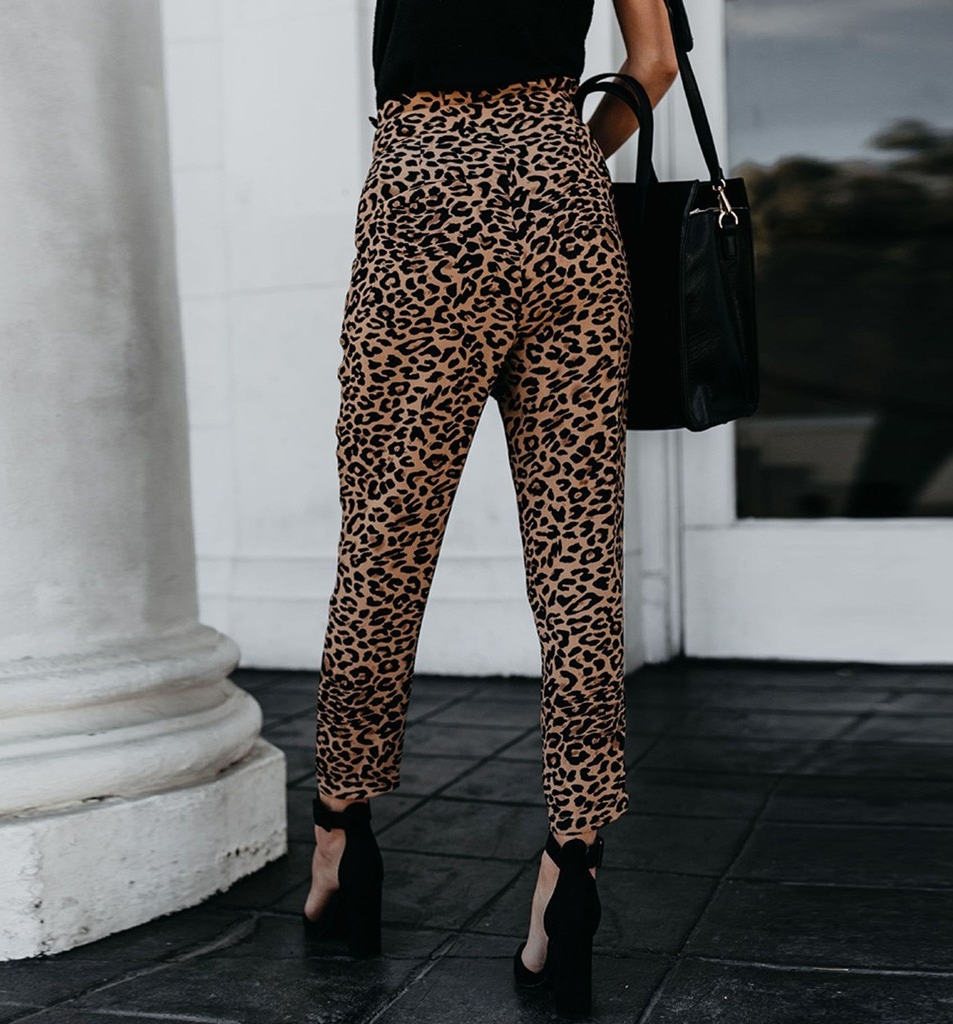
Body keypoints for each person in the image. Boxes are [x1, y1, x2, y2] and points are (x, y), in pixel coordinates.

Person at [303, 0, 678, 1015]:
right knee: (578, 559)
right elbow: (652, 60)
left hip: (421, 198)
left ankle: (341, 832)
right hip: (564, 197)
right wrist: (562, 156)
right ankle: (572, 867)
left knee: (383, 543)